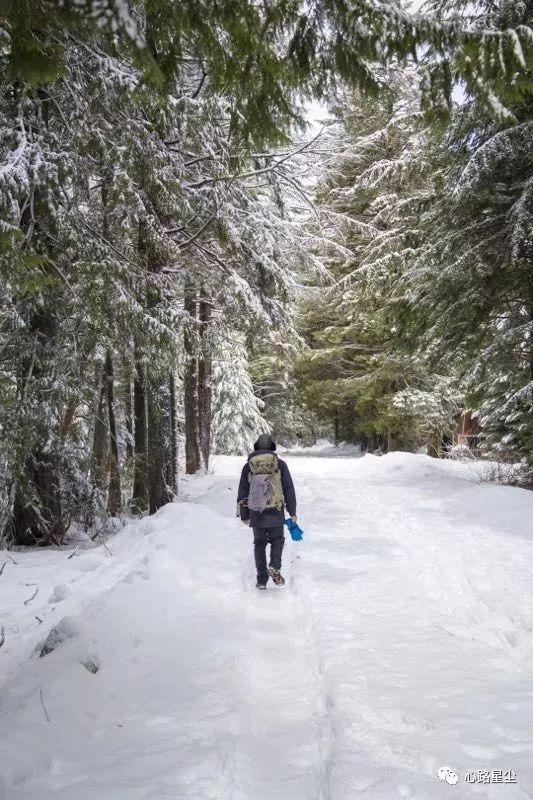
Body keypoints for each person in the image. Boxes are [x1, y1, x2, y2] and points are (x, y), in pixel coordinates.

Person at [237, 433, 297, 589]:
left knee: (259, 543)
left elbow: (243, 490)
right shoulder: (280, 464)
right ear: (272, 447)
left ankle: (261, 580)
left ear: (256, 447)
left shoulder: (248, 466)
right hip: (275, 509)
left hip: (256, 511)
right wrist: (292, 511)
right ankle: (275, 566)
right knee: (277, 540)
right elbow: (288, 488)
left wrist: (244, 514)